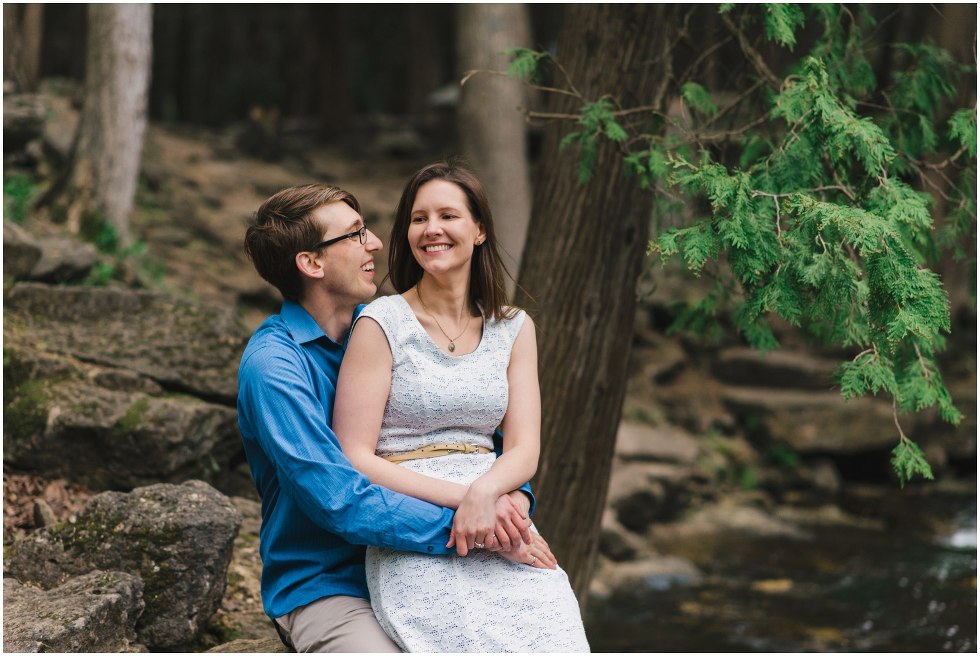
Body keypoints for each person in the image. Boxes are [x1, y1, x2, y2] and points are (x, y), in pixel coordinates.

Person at [237, 183, 554, 652]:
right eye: (354, 235)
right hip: (334, 584)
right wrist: (481, 527)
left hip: (428, 561)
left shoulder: (387, 327)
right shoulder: (274, 368)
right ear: (312, 263)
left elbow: (477, 430)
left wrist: (508, 499)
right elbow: (340, 499)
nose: (376, 244)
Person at [334, 161, 591, 652]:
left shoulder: (515, 327)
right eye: (418, 218)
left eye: (447, 215)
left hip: (503, 520)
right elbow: (356, 455)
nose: (431, 229)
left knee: (556, 631)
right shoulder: (380, 322)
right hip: (413, 523)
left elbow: (523, 448)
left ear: (479, 230)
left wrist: (489, 494)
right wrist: (468, 502)